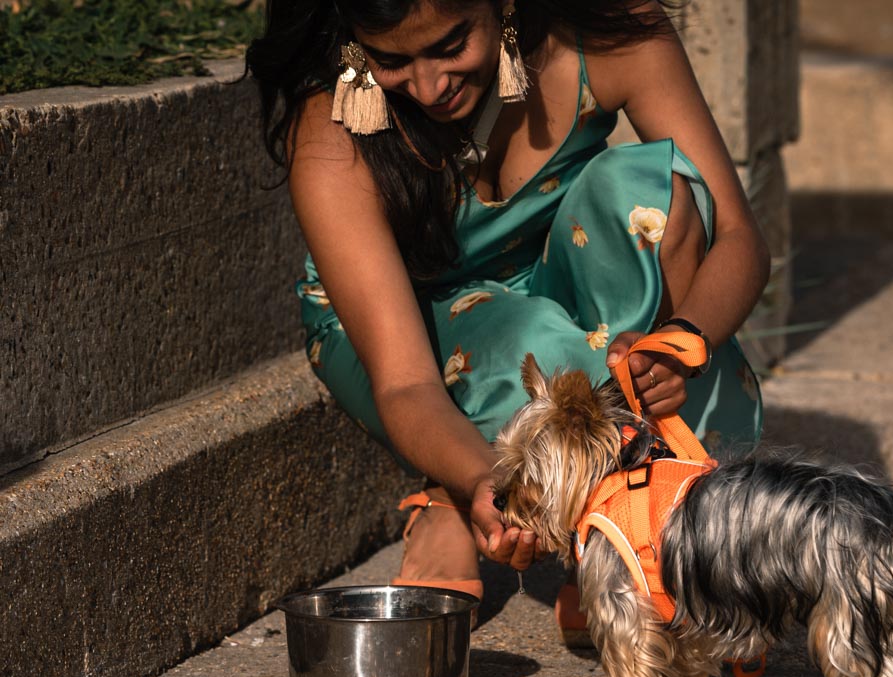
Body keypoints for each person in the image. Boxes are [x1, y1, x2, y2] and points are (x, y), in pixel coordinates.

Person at [246, 0, 769, 620]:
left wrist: (679, 343)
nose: (428, 87)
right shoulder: (330, 129)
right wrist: (481, 482)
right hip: (396, 326)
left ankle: (625, 525)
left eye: (449, 46)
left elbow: (738, 236)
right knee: (541, 351)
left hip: (544, 269)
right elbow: (406, 382)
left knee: (653, 196)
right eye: (391, 60)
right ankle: (506, 509)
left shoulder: (608, 31)